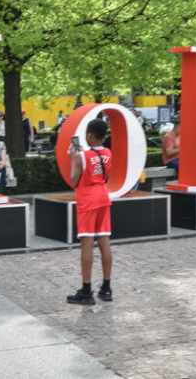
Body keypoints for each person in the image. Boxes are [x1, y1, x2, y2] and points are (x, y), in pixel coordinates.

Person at [66, 118, 113, 305]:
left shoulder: (81, 156)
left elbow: (73, 180)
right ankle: (106, 287)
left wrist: (73, 159)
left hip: (87, 200)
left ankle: (86, 290)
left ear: (90, 135)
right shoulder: (108, 152)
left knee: (87, 243)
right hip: (103, 196)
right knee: (104, 240)